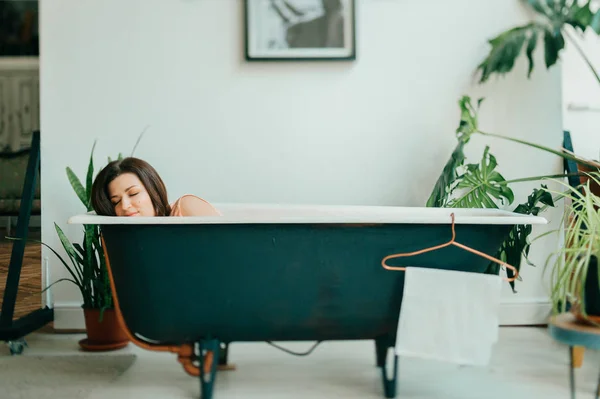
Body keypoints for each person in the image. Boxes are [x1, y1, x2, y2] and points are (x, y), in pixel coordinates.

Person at [90, 157, 221, 217]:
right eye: (116, 202)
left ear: (154, 190)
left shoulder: (186, 207)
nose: (124, 206)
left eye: (133, 193)